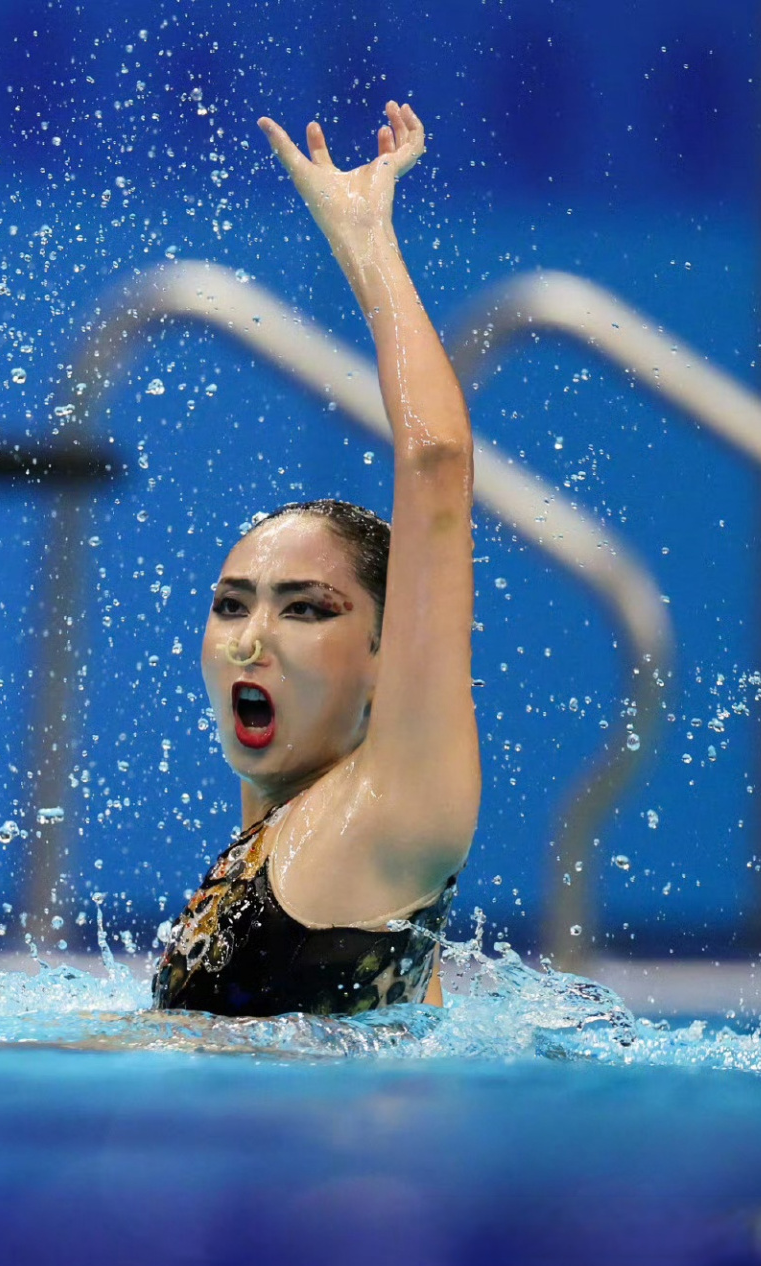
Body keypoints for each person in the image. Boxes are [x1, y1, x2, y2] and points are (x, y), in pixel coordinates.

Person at [151, 103, 480, 1018]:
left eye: (305, 608)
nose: (252, 640)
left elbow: (435, 463)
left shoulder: (392, 810)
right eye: (231, 604)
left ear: (385, 650)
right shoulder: (280, 824)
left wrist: (364, 237)